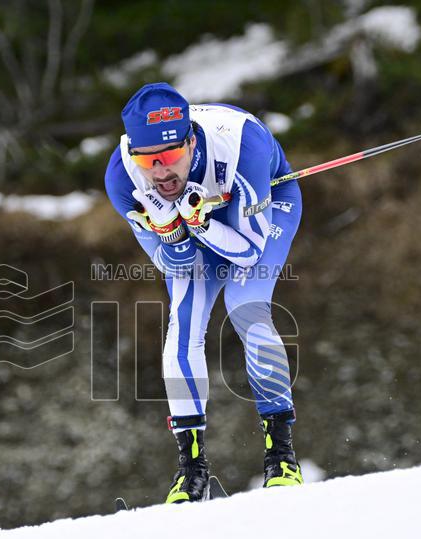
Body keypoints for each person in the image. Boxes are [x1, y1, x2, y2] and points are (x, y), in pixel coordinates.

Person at [104, 82, 304, 503]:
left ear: (192, 141)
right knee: (184, 321)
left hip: (264, 202)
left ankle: (281, 456)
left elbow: (249, 253)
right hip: (198, 229)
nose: (160, 172)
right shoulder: (123, 178)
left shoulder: (242, 145)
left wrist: (201, 224)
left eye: (172, 157)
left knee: (245, 305)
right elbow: (171, 264)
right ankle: (191, 470)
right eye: (148, 160)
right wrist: (172, 231)